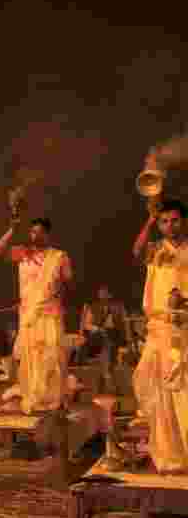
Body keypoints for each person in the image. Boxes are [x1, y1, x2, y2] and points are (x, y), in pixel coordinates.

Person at [0, 217, 73, 413]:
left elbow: (67, 281)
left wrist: (58, 297)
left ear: (48, 234)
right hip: (29, 315)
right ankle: (34, 396)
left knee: (52, 355)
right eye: (32, 232)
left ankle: (53, 398)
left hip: (50, 313)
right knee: (32, 357)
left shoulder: (59, 256)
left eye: (38, 232)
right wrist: (11, 230)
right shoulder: (23, 254)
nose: (34, 236)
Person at [131, 199, 188, 472]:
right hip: (161, 330)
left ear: (184, 221)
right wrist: (150, 219)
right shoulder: (154, 249)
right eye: (165, 221)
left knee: (184, 393)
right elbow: (136, 249)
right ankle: (170, 457)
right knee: (160, 393)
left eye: (174, 220)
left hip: (186, 330)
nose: (170, 226)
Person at [78, 285, 131, 387]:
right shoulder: (92, 307)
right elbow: (87, 325)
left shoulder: (118, 307)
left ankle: (106, 375)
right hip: (96, 337)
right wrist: (98, 329)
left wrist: (129, 341)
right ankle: (107, 374)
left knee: (108, 340)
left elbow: (125, 324)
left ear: (109, 295)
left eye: (105, 292)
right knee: (104, 337)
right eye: (101, 292)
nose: (102, 294)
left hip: (114, 335)